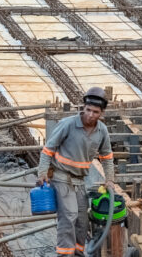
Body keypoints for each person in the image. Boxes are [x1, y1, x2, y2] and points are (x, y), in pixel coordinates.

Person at [37, 87, 115, 257]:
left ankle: (78, 253)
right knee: (69, 216)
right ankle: (65, 255)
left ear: (101, 113)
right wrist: (42, 173)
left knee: (82, 220)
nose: (90, 115)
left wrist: (110, 179)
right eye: (88, 110)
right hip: (61, 177)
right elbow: (48, 150)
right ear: (82, 108)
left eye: (95, 112)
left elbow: (107, 157)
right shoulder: (68, 124)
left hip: (80, 180)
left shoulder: (102, 131)